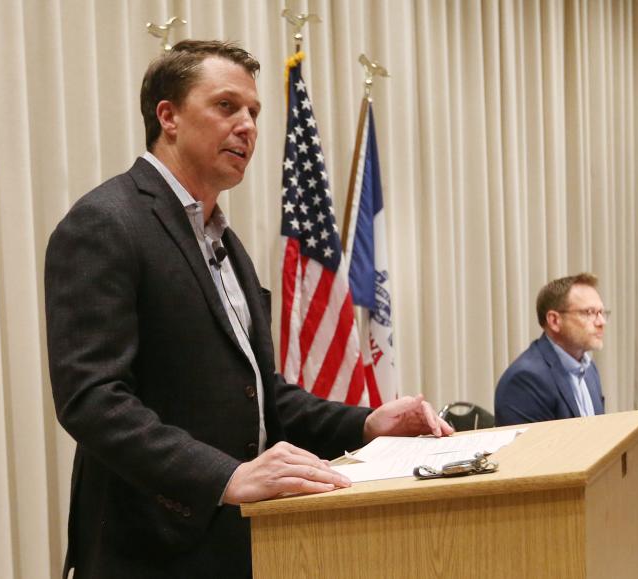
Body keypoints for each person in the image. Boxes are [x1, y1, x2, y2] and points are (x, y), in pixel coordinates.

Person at [44, 40, 452, 579]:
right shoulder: (107, 223)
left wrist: (367, 423)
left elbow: (261, 394)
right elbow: (92, 399)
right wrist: (224, 477)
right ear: (167, 116)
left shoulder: (225, 242)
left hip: (240, 541)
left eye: (255, 112)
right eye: (226, 106)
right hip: (147, 549)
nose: (248, 126)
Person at [494, 273, 607, 426]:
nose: (601, 322)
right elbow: (536, 449)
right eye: (589, 313)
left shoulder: (589, 369)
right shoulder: (526, 379)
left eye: (601, 313)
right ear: (554, 320)